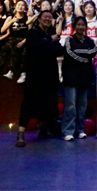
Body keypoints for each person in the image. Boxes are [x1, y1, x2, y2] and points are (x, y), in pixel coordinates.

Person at [15, 10, 65, 147]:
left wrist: (48, 43)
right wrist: (50, 42)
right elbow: (36, 46)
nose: (47, 19)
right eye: (45, 17)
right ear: (39, 19)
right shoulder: (33, 33)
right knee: (29, 102)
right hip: (35, 74)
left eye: (50, 17)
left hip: (50, 74)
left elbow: (58, 50)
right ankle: (21, 133)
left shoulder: (51, 33)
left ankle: (44, 129)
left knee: (48, 102)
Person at [61, 17, 97, 141]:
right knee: (70, 106)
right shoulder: (69, 40)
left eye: (83, 25)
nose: (81, 27)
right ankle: (68, 131)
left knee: (82, 106)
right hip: (70, 77)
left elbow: (93, 52)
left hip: (85, 77)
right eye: (78, 25)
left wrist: (80, 52)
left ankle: (80, 130)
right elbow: (69, 54)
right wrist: (84, 58)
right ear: (74, 26)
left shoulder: (90, 41)